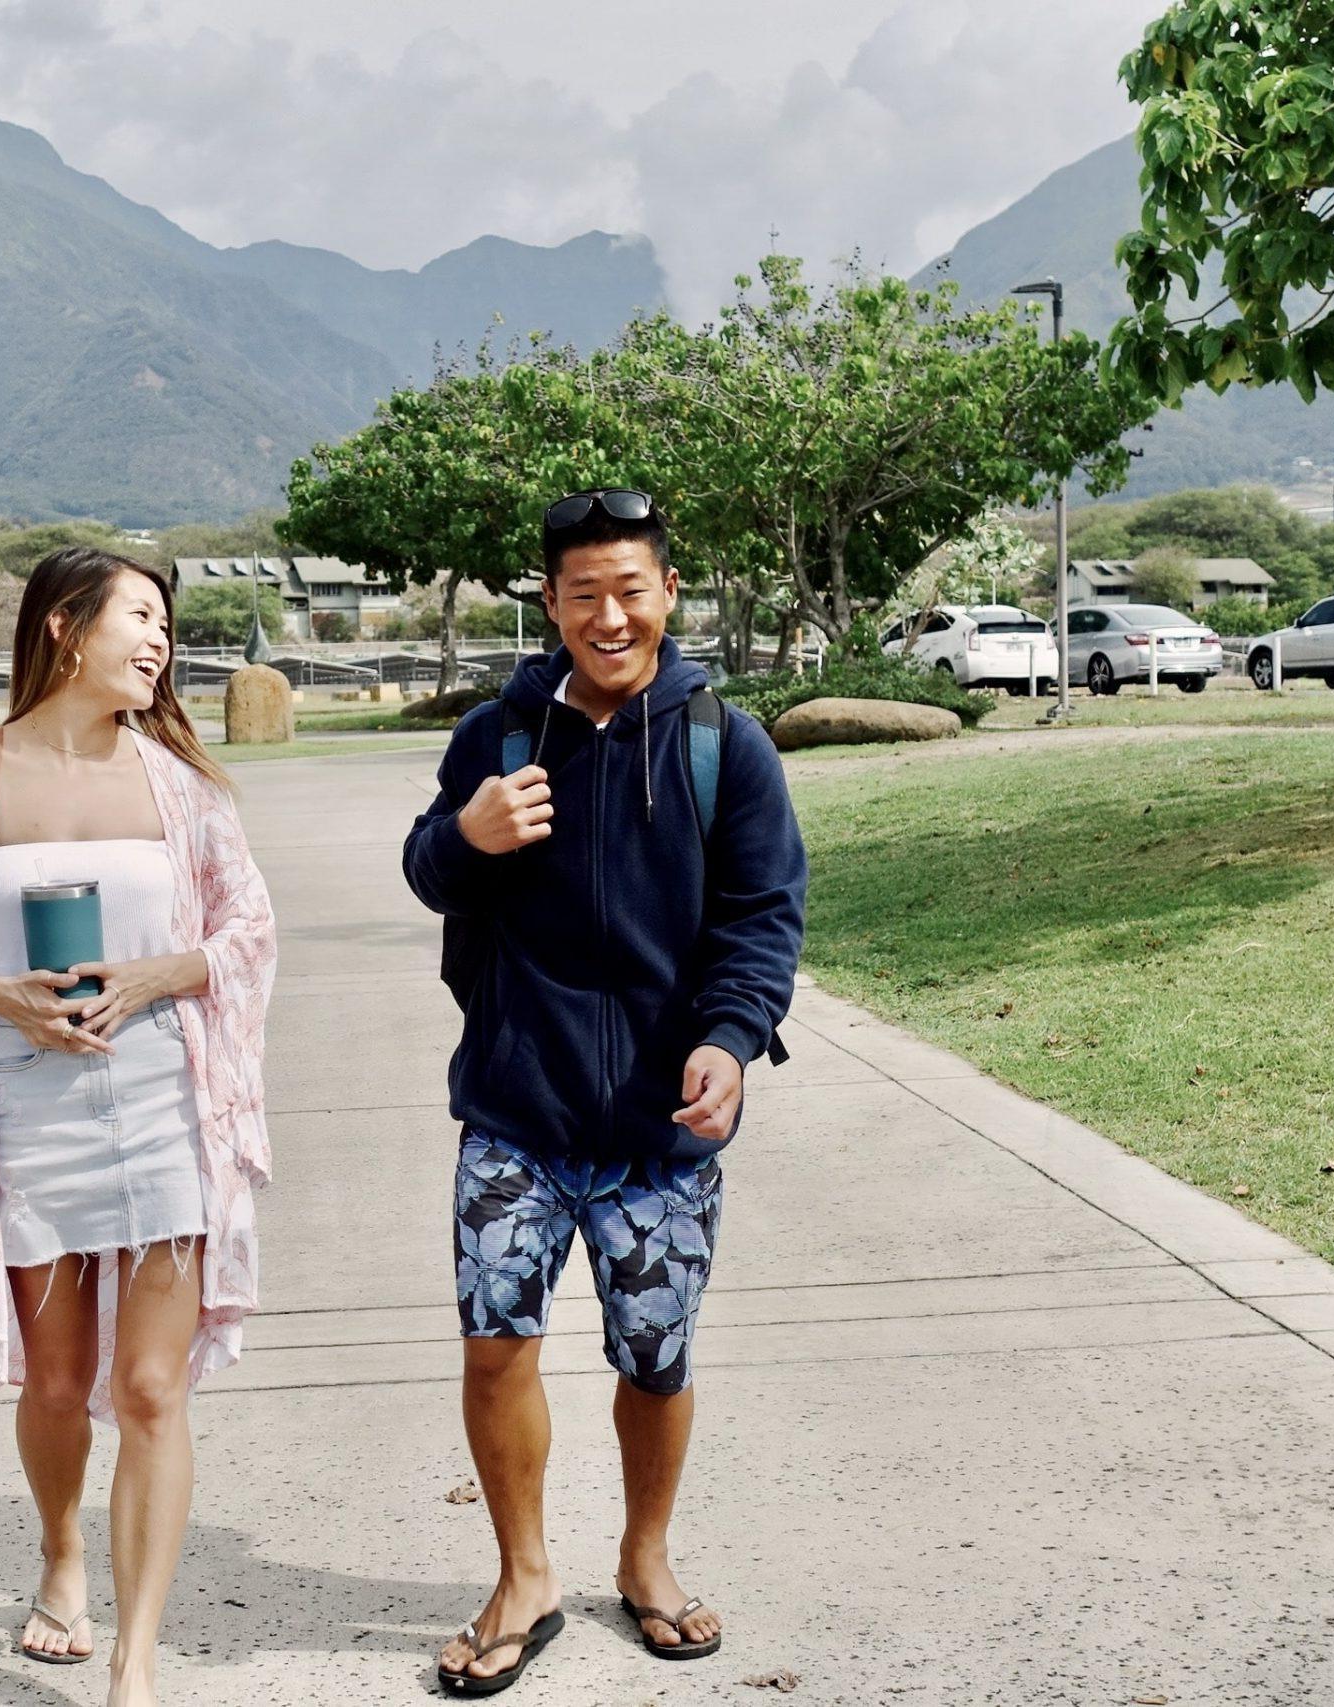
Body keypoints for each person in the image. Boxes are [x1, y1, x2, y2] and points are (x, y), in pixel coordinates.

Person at [403, 490, 808, 1695]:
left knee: (654, 1359)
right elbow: (428, 871)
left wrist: (732, 1043)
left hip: (656, 1133)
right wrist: (466, 835)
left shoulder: (721, 744)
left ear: (669, 594)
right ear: (551, 604)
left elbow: (761, 917)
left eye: (630, 589)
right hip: (514, 1111)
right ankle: (523, 1575)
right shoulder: (499, 735)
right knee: (494, 1348)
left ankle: (644, 1560)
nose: (610, 615)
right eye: (584, 595)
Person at [0, 546, 278, 1707]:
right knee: (55, 1385)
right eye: (140, 618)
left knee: (154, 1390)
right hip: (26, 1114)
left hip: (162, 1105)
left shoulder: (182, 787)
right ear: (65, 626)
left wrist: (162, 973)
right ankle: (63, 1555)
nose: (160, 642)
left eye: (168, 624)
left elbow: (250, 934)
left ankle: (136, 1659)